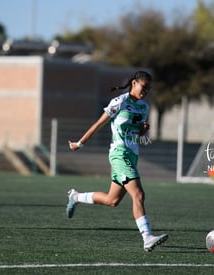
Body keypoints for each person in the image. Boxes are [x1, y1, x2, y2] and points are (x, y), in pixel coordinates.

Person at [66, 71, 168, 252]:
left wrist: (143, 131)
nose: (146, 91)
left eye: (148, 89)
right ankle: (147, 237)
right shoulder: (119, 102)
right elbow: (98, 124)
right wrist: (79, 144)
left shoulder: (144, 108)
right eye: (144, 87)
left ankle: (75, 196)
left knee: (112, 200)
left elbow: (135, 133)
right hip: (119, 154)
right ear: (134, 83)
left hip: (132, 155)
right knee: (138, 195)